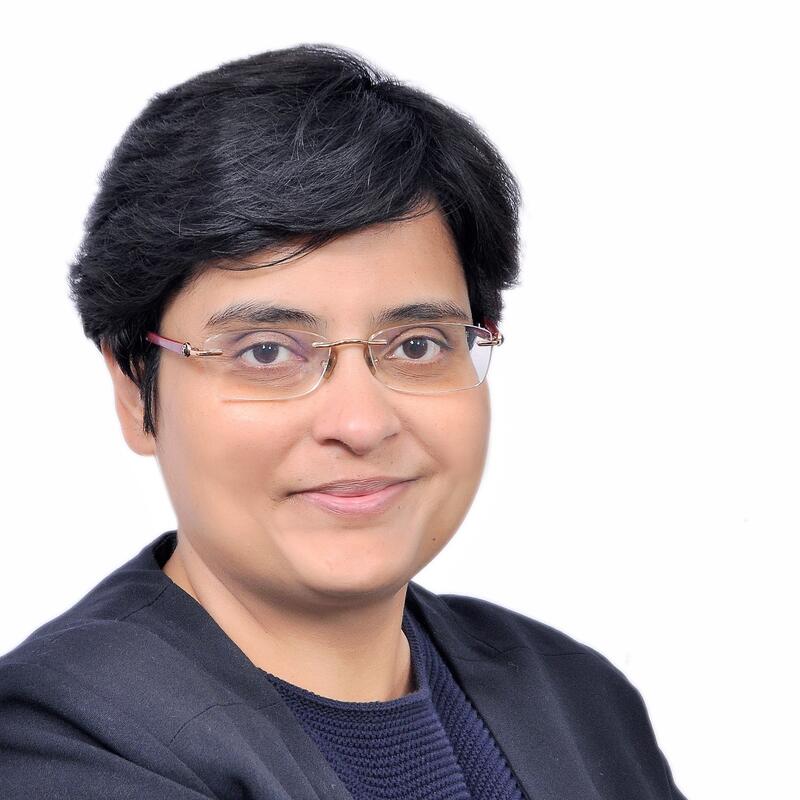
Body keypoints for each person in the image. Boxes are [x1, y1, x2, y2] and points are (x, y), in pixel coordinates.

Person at [0, 44, 687, 799]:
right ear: (138, 390)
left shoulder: (579, 701)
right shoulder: (57, 749)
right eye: (266, 352)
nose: (360, 424)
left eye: (417, 344)